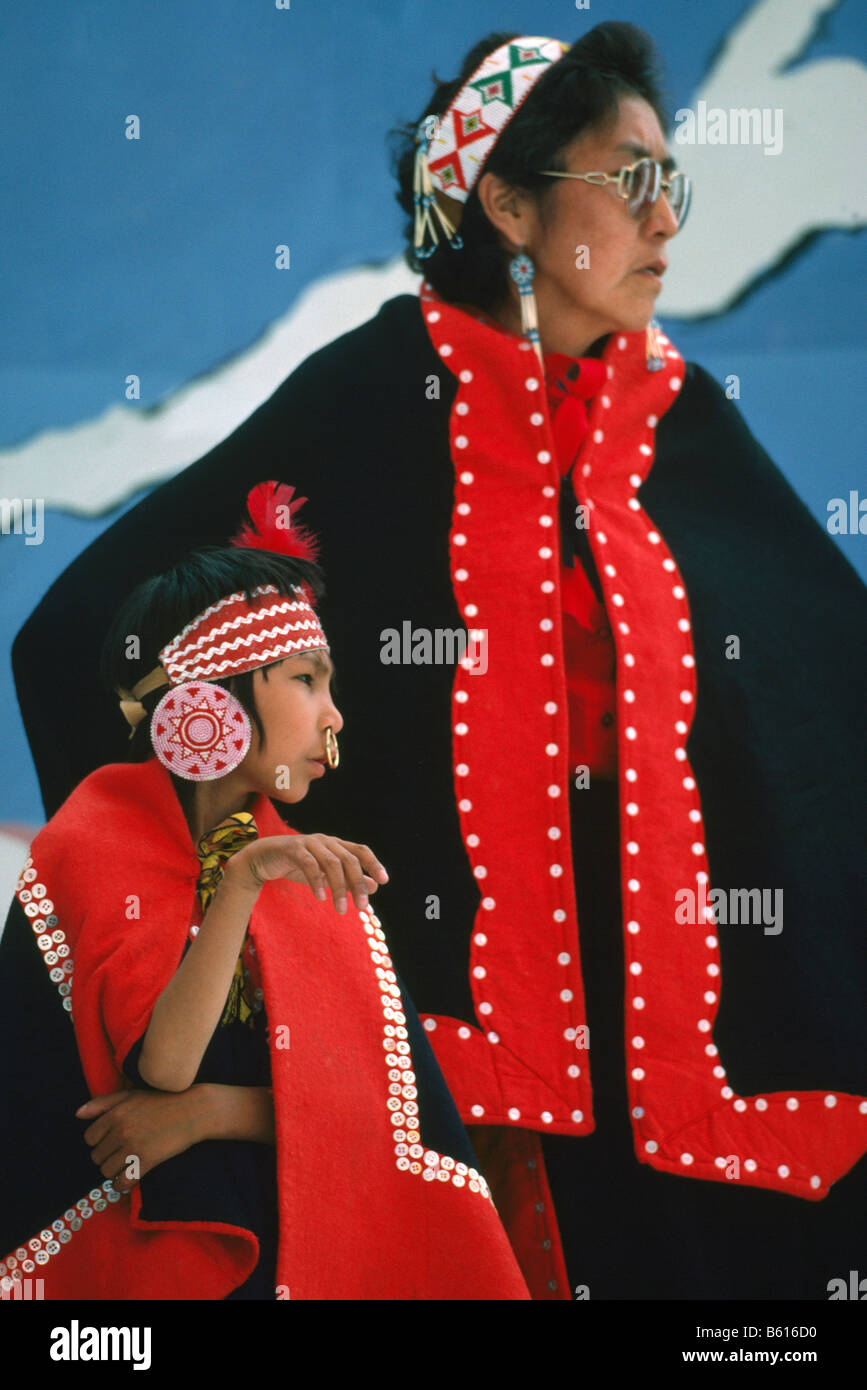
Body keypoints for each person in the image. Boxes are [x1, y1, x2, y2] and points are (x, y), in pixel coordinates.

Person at [11, 24, 866, 1300]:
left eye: (669, 184)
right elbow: (91, 633)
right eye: (625, 180)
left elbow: (822, 695)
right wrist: (205, 902)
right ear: (509, 205)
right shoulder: (373, 396)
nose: (663, 221)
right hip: (445, 1035)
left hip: (685, 1045)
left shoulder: (679, 420)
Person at [0, 482, 529, 1301]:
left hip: (309, 1251)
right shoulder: (94, 840)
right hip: (148, 1269)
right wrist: (239, 884)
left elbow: (394, 1116)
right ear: (209, 705)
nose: (335, 716)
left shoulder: (305, 864)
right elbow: (160, 1068)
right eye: (306, 680)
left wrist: (215, 1113)